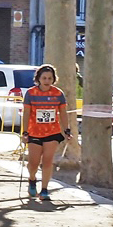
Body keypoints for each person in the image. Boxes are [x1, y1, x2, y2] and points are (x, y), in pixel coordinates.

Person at [21, 64, 73, 203]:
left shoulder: (58, 94)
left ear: (53, 79)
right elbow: (26, 113)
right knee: (33, 163)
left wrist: (67, 130)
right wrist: (25, 132)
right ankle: (32, 179)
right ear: (38, 78)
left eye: (50, 78)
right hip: (34, 132)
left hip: (52, 132)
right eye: (44, 78)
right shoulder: (30, 93)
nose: (47, 81)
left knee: (48, 161)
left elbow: (63, 113)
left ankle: (44, 190)